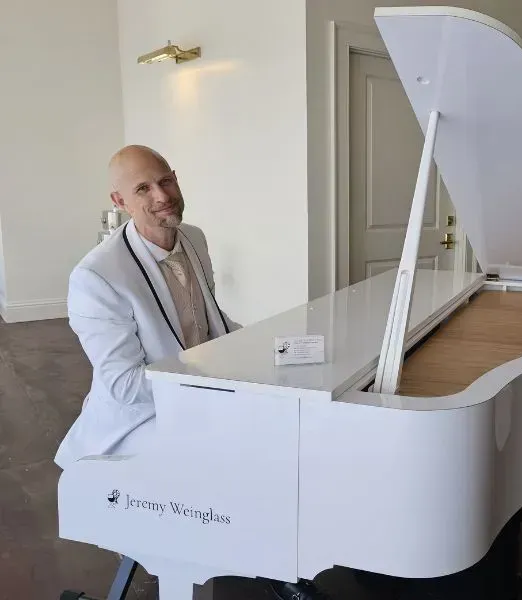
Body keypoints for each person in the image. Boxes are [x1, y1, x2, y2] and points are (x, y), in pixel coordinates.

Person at [54, 145, 332, 600]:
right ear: (120, 202)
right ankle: (262, 561)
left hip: (204, 395)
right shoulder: (96, 277)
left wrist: (274, 342)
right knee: (245, 457)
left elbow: (209, 327)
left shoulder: (194, 238)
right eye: (143, 188)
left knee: (287, 434)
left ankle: (274, 556)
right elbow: (126, 387)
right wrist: (218, 377)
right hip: (140, 420)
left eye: (166, 180)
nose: (162, 195)